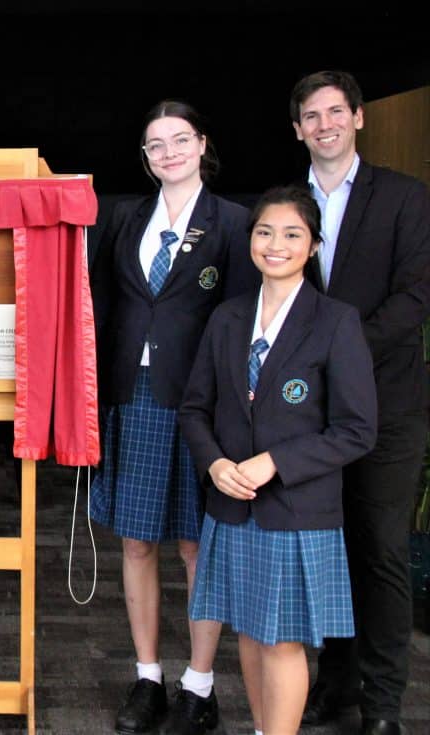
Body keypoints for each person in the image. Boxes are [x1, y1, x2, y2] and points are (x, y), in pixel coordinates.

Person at [180, 185, 378, 735]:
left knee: (282, 641)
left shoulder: (336, 320)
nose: (276, 244)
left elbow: (357, 430)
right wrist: (215, 464)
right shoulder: (227, 317)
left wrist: (275, 462)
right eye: (265, 232)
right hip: (231, 506)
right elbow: (196, 409)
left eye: (292, 234)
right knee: (247, 631)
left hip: (295, 511)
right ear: (251, 240)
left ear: (313, 245)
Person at [88, 99, 255, 735]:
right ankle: (148, 675)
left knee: (195, 544)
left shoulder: (236, 222)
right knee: (136, 540)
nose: (168, 154)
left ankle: (200, 684)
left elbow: (242, 322)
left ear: (202, 143)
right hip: (134, 395)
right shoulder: (126, 219)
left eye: (178, 140)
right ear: (146, 158)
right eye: (155, 145)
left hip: (202, 403)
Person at [288, 70, 430, 735]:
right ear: (297, 130)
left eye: (335, 112)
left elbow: (415, 298)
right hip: (312, 416)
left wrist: (337, 350)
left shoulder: (405, 198)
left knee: (380, 552)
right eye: (311, 116)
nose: (325, 125)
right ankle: (336, 684)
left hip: (386, 409)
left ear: (359, 118)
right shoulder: (288, 208)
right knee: (328, 550)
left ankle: (382, 705)